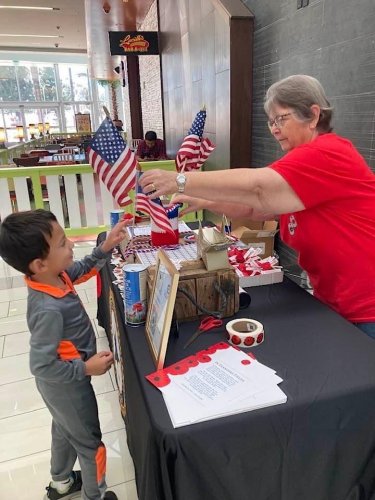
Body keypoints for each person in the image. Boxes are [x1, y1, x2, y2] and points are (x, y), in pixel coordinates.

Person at [139, 74, 375, 337]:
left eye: (281, 118)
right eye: (271, 121)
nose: (274, 128)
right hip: (334, 300)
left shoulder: (327, 153)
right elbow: (257, 209)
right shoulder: (306, 160)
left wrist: (180, 180)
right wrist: (203, 201)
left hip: (365, 308)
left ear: (313, 115)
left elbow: (258, 189)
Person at [0, 209, 126, 500]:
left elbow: (81, 269)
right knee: (91, 444)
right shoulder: (46, 309)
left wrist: (105, 247)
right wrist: (85, 369)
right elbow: (41, 365)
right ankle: (95, 496)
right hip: (66, 385)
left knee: (64, 429)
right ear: (38, 263)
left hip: (60, 386)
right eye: (61, 243)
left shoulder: (53, 276)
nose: (70, 244)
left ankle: (61, 482)